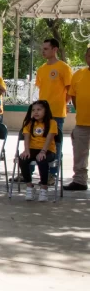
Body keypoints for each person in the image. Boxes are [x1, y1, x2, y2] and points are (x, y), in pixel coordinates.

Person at [35, 38, 72, 182]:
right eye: (42, 48)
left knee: (55, 145)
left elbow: (70, 90)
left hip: (56, 114)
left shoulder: (64, 67)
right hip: (40, 115)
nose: (43, 51)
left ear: (55, 49)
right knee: (36, 141)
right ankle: (31, 172)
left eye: (46, 49)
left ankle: (52, 174)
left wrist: (62, 103)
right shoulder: (41, 69)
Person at [18, 100, 57, 202]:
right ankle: (30, 186)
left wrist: (43, 152)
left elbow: (49, 138)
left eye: (39, 109)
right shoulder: (29, 123)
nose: (36, 112)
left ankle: (44, 188)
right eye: (33, 110)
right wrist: (26, 150)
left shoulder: (52, 123)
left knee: (41, 159)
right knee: (22, 159)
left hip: (48, 149)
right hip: (32, 149)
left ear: (46, 110)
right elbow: (26, 137)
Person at [64, 47, 90, 191]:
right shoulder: (78, 74)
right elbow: (73, 95)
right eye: (89, 56)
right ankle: (80, 181)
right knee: (80, 154)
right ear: (86, 57)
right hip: (82, 123)